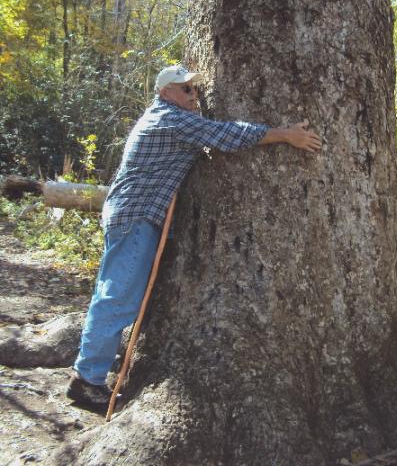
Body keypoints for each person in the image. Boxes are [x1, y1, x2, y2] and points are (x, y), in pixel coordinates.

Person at [67, 64, 321, 411]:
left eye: (195, 89)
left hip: (133, 215)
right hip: (136, 216)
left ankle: (92, 369)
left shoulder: (169, 118)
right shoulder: (170, 119)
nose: (194, 95)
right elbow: (227, 135)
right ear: (166, 93)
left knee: (114, 293)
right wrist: (285, 134)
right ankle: (87, 381)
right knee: (118, 297)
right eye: (186, 89)